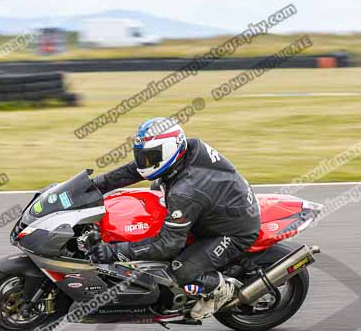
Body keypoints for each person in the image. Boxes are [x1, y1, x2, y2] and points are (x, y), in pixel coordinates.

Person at [89, 117, 261, 320]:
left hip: (233, 231)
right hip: (216, 207)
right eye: (142, 156)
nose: (144, 162)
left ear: (169, 150)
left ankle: (221, 289)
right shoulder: (185, 150)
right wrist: (93, 186)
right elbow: (134, 170)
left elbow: (167, 245)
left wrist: (114, 251)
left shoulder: (185, 192)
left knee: (181, 271)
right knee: (156, 189)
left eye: (149, 157)